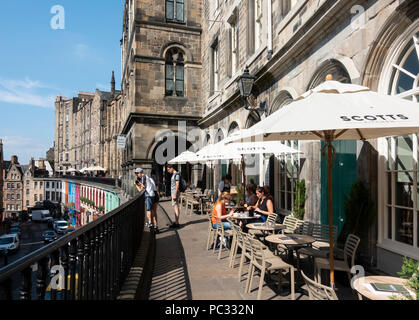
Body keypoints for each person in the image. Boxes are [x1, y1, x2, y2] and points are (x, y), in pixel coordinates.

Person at [134, 168, 159, 233]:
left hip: (149, 195)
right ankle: (156, 227)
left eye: (137, 173)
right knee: (154, 212)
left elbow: (141, 190)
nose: (137, 175)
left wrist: (136, 185)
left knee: (148, 210)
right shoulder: (150, 179)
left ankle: (150, 222)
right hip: (155, 195)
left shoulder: (144, 177)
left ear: (140, 173)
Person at [167, 164, 181, 228]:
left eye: (168, 169)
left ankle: (177, 223)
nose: (168, 171)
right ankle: (176, 221)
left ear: (172, 168)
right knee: (176, 206)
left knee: (175, 206)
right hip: (173, 192)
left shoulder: (176, 174)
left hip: (175, 192)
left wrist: (175, 194)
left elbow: (177, 184)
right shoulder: (174, 174)